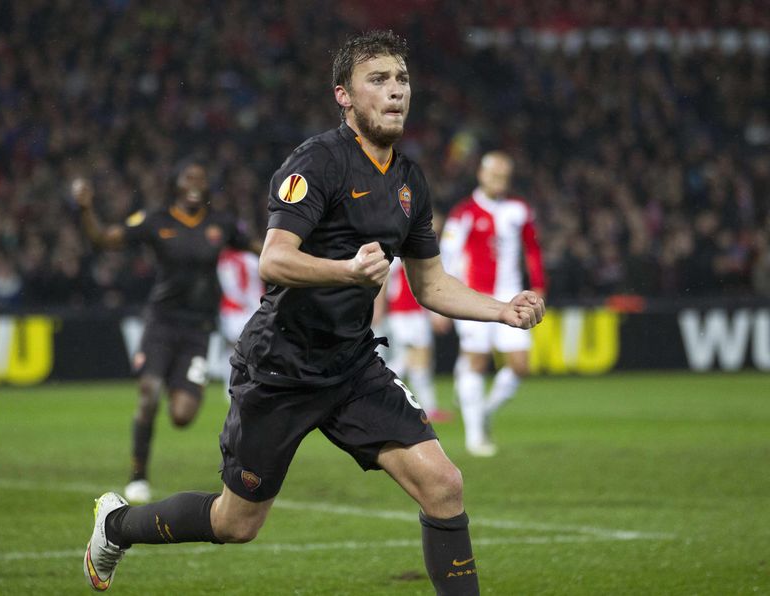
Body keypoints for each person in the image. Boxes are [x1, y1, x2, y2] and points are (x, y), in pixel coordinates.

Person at [83, 31, 544, 595]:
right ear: (343, 95)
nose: (395, 91)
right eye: (378, 79)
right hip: (281, 366)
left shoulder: (410, 181)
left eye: (401, 79)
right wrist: (347, 271)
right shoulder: (317, 163)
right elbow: (274, 260)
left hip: (351, 364)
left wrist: (502, 309)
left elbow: (430, 285)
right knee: (236, 523)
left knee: (444, 484)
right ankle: (117, 525)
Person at [72, 161, 256, 504]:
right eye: (189, 178)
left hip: (199, 329)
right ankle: (138, 474)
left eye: (201, 179)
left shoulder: (222, 224)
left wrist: (298, 241)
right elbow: (104, 239)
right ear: (176, 183)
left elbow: (260, 246)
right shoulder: (156, 220)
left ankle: (177, 379)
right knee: (148, 392)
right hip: (161, 322)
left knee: (182, 416)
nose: (195, 184)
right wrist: (86, 209)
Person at [439, 151, 546, 457]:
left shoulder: (519, 209)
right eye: (495, 175)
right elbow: (446, 258)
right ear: (482, 175)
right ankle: (475, 436)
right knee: (476, 361)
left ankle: (484, 411)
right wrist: (444, 300)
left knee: (520, 365)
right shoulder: (464, 213)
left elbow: (533, 249)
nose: (501, 181)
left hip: (512, 297)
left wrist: (538, 285)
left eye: (505, 176)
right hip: (474, 299)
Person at [373, 257, 453, 422]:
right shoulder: (397, 253)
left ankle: (428, 408)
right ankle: (376, 390)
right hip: (404, 311)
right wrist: (379, 307)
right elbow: (385, 279)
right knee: (413, 358)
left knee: (419, 362)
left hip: (414, 311)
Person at [215, 247, 264, 398]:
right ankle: (246, 384)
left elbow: (230, 287)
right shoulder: (253, 258)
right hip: (253, 308)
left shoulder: (225, 260)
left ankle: (231, 386)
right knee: (250, 350)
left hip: (234, 310)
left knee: (233, 349)